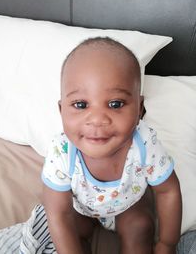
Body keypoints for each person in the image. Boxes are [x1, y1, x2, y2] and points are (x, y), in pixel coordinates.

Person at [42, 37, 182, 254]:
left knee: (140, 226)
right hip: (82, 209)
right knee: (69, 234)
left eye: (115, 104)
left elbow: (168, 191)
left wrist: (167, 243)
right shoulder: (62, 152)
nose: (97, 119)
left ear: (140, 110)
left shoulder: (144, 143)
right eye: (81, 105)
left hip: (129, 203)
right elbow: (58, 214)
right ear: (61, 111)